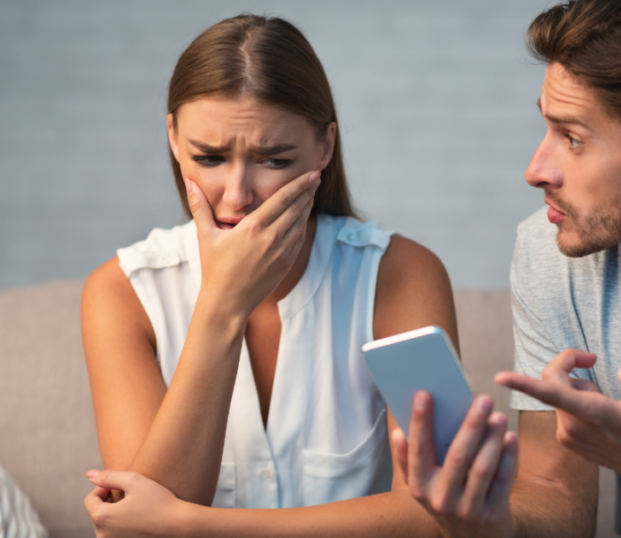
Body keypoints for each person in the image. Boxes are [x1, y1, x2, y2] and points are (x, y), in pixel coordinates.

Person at [81, 14, 472, 537]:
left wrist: (195, 526)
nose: (238, 196)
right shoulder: (121, 292)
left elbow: (447, 513)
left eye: (273, 159)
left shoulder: (400, 276)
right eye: (210, 157)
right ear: (173, 139)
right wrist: (223, 306)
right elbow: (138, 534)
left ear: (324, 148)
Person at [393, 0, 621, 537]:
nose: (534, 170)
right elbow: (553, 496)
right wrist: (489, 524)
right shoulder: (550, 250)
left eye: (573, 138)